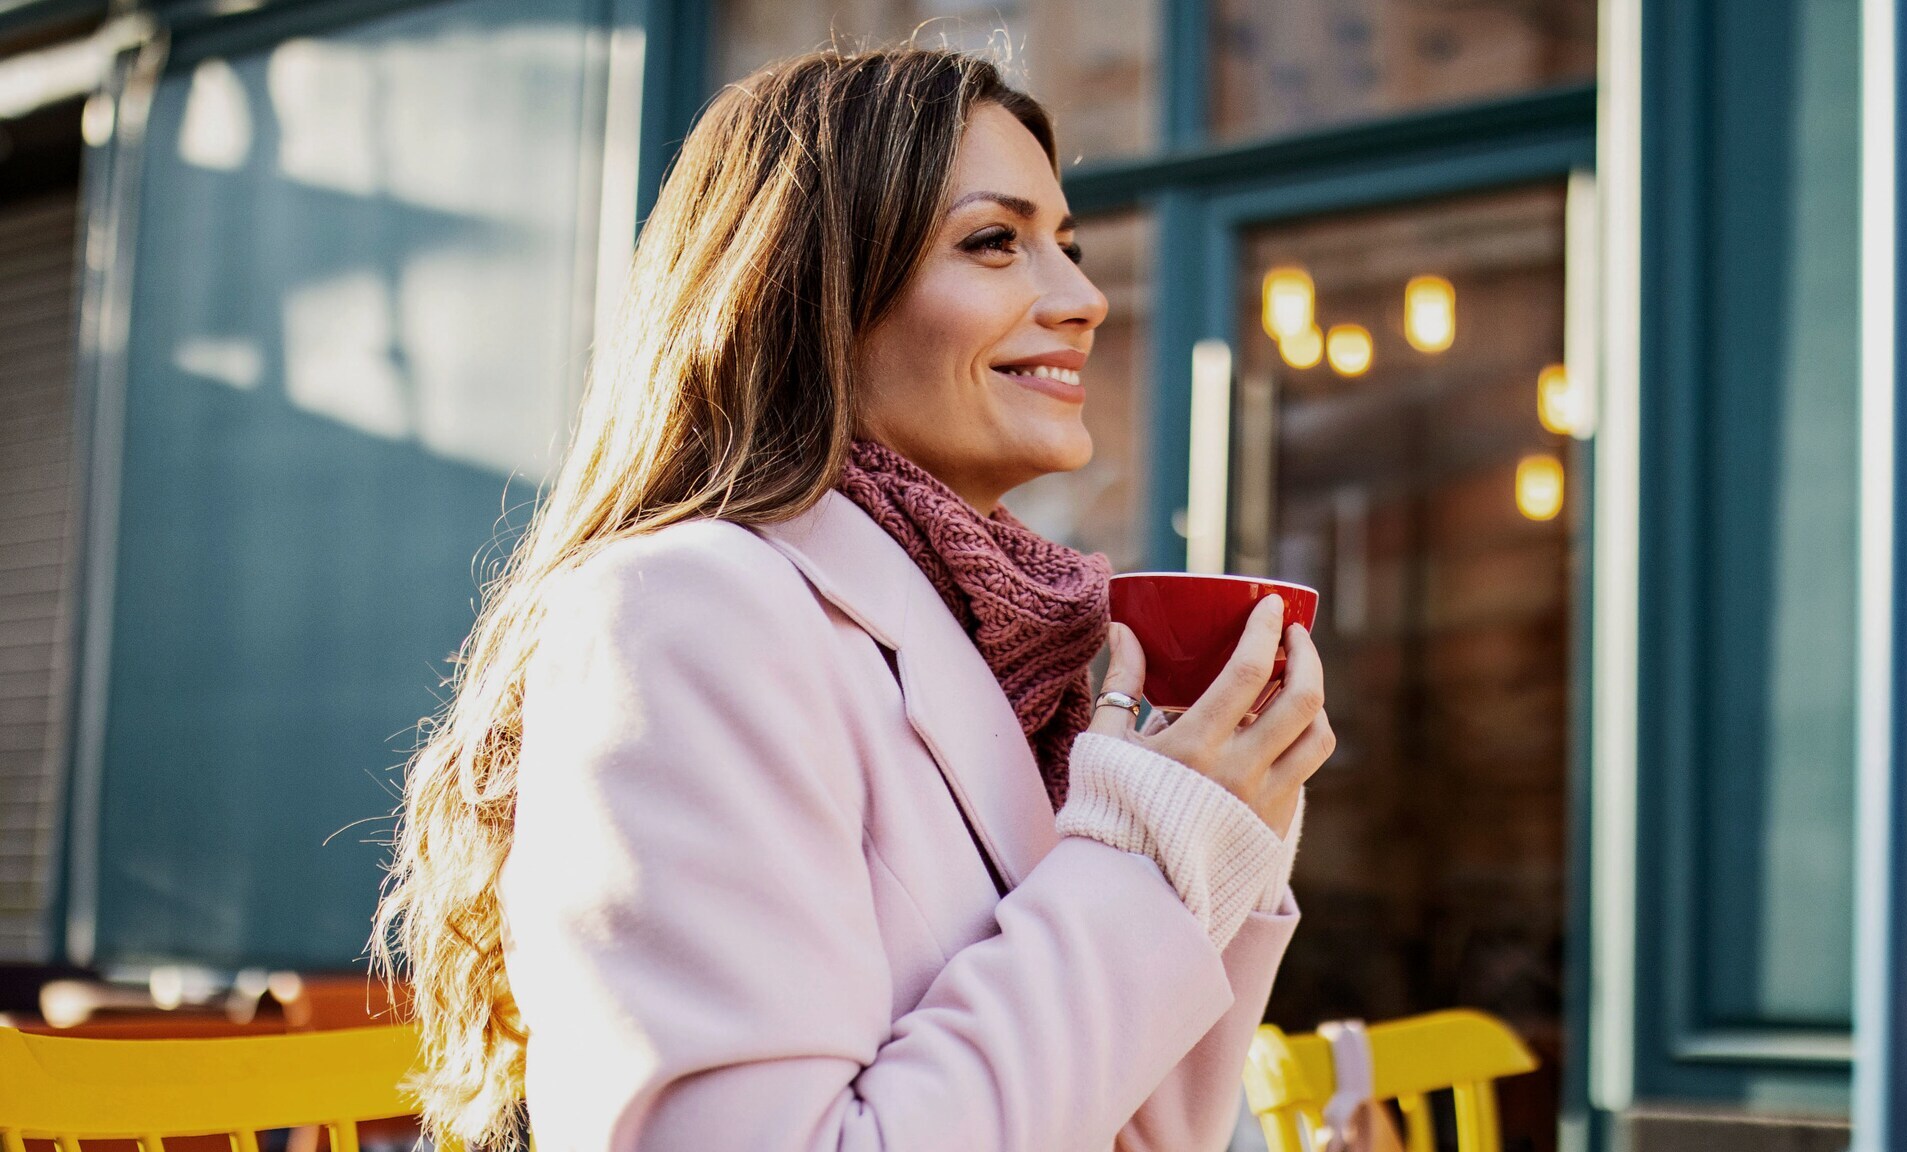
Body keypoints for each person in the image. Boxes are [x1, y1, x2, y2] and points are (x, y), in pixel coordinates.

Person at [373, 46, 1335, 1152]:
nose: (1082, 299)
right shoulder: (683, 608)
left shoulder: (1002, 652)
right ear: (814, 292)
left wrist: (1222, 825)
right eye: (993, 242)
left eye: (1066, 248)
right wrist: (1144, 853)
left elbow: (1133, 1128)